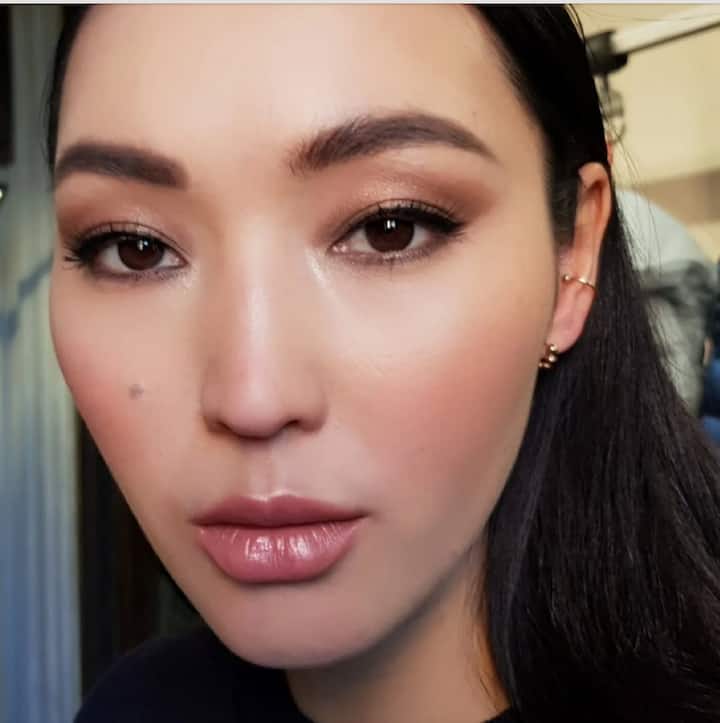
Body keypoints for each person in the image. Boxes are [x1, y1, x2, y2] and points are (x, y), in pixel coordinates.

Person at [46, 5, 720, 723]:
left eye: (389, 228)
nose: (252, 398)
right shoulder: (133, 706)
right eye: (134, 248)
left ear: (573, 254)